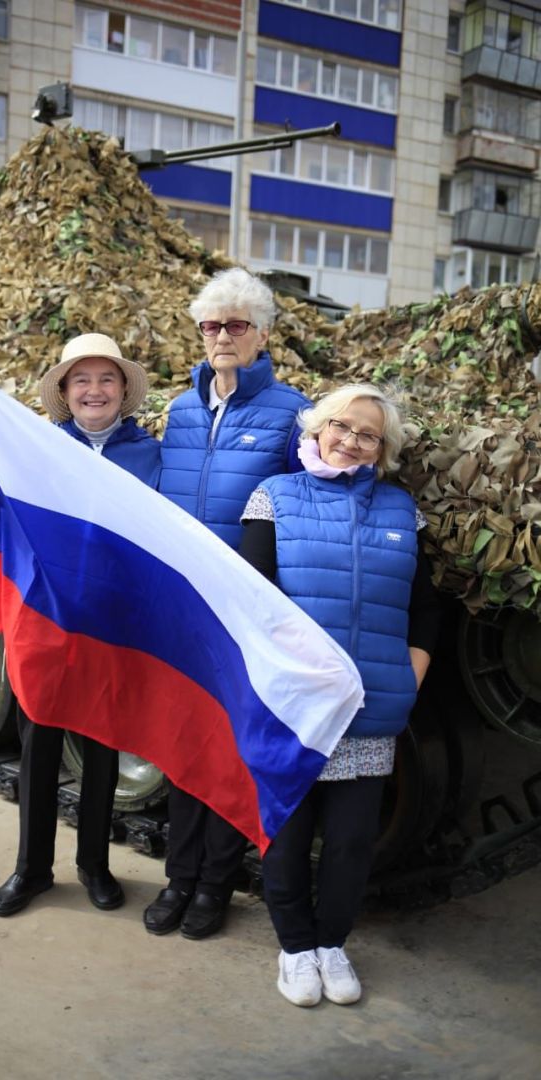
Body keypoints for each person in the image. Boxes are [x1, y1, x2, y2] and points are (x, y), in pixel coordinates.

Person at [0, 333, 160, 917]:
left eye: (106, 379)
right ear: (64, 393)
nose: (94, 390)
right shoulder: (33, 447)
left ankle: (95, 865)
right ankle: (32, 869)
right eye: (81, 380)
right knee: (40, 747)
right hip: (45, 620)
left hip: (112, 622)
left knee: (102, 744)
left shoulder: (152, 453)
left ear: (124, 390)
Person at [239, 383, 441, 1007]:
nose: (352, 440)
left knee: (352, 843)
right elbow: (254, 602)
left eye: (368, 434)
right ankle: (296, 950)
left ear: (382, 451)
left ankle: (332, 944)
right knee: (290, 838)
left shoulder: (400, 511)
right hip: (296, 711)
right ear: (316, 429)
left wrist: (409, 675)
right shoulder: (274, 498)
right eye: (342, 426)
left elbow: (426, 608)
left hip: (369, 708)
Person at [143, 266, 312, 942]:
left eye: (236, 325)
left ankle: (215, 885)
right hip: (186, 605)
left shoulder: (291, 411)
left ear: (263, 335)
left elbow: (304, 506)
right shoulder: (180, 410)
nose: (221, 336)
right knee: (185, 747)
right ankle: (178, 879)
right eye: (211, 325)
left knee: (232, 753)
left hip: (246, 610)